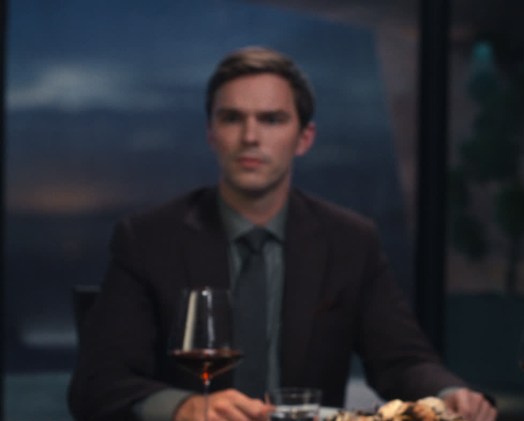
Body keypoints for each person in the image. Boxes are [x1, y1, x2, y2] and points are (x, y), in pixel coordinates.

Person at [68, 46, 497, 421]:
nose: (250, 137)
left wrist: (448, 394)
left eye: (271, 119)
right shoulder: (148, 239)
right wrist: (183, 408)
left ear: (304, 138)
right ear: (211, 134)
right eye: (232, 118)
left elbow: (402, 360)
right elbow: (98, 384)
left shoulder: (350, 241)